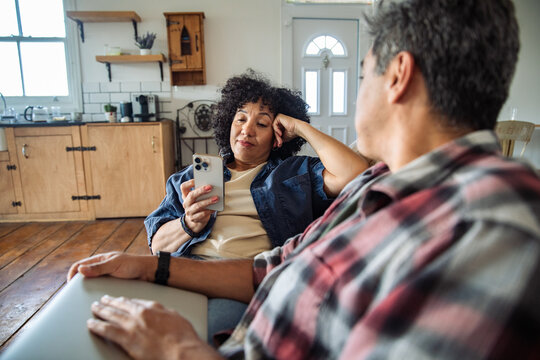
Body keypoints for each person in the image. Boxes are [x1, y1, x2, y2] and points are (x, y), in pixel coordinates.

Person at [68, 0, 540, 358]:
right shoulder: (382, 190)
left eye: (361, 74)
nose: (246, 129)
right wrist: (152, 267)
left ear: (397, 76)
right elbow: (271, 268)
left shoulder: (494, 226)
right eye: (240, 118)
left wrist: (181, 350)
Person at [146, 71, 369, 259]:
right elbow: (157, 245)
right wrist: (188, 224)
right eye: (241, 119)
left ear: (277, 136)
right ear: (228, 124)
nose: (247, 130)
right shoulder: (190, 178)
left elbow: (354, 173)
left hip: (250, 275)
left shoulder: (294, 174)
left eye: (262, 123)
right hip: (188, 268)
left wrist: (299, 128)